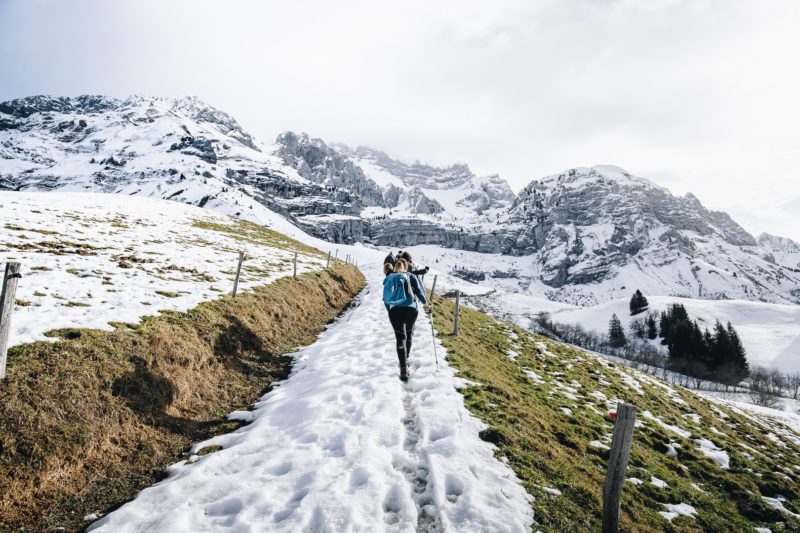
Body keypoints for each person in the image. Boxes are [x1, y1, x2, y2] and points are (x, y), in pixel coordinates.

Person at [383, 258, 428, 382]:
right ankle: (406, 358)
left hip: (394, 311)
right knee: (408, 334)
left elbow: (385, 298)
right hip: (411, 310)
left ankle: (403, 368)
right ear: (406, 266)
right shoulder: (411, 276)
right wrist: (426, 304)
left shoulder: (389, 278)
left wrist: (390, 310)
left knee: (400, 337)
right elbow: (419, 292)